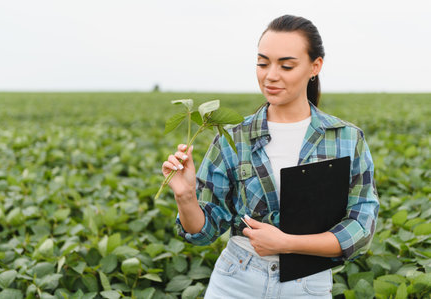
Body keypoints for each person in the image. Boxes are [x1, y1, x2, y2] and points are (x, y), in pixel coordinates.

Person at [161, 15, 379, 298]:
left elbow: (361, 226)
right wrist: (186, 196)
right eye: (263, 63)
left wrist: (287, 243)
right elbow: (205, 233)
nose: (271, 75)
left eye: (286, 65)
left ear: (315, 67)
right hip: (235, 279)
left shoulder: (346, 138)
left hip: (307, 284)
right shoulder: (233, 137)